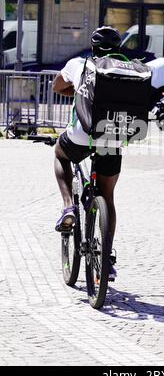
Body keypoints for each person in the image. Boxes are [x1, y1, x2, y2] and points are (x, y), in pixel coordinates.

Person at [52, 26, 123, 281]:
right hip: (112, 138)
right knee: (108, 196)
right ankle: (107, 258)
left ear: (93, 47)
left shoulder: (79, 64)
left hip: (81, 135)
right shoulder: (127, 70)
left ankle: (68, 206)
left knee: (60, 154)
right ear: (118, 49)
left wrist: (80, 91)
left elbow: (57, 86)